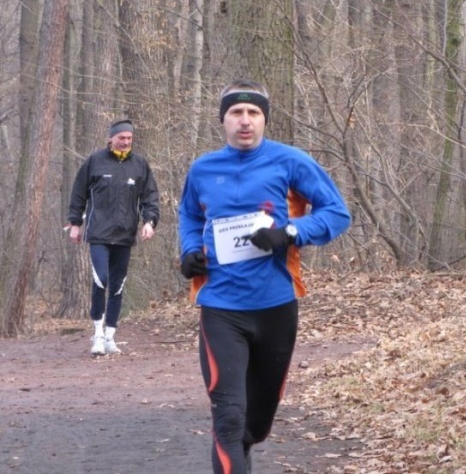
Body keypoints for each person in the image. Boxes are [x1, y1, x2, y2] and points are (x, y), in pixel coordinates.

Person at [178, 79, 351, 474]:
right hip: (221, 307)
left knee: (254, 426)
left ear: (264, 119)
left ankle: (245, 446)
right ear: (223, 120)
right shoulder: (203, 168)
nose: (245, 121)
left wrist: (289, 233)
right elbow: (189, 214)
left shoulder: (290, 162)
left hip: (275, 306)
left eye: (253, 113)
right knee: (228, 418)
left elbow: (337, 213)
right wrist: (188, 251)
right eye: (236, 113)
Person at [67, 119, 160, 356]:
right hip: (98, 233)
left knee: (118, 285)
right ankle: (97, 334)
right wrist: (75, 223)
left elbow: (150, 197)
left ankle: (110, 335)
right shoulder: (95, 162)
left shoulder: (139, 165)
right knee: (101, 279)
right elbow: (78, 194)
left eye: (129, 138)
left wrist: (149, 222)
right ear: (111, 139)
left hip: (125, 235)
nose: (126, 142)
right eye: (121, 138)